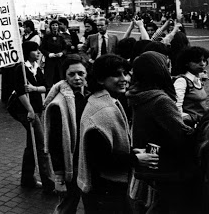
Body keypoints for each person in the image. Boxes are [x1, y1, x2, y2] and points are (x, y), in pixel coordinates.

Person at [77, 54, 158, 213]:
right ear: (100, 79)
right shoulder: (102, 110)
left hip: (104, 188)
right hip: (105, 189)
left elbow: (106, 147)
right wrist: (135, 159)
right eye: (116, 74)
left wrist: (133, 152)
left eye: (125, 73)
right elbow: (101, 159)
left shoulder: (102, 100)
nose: (124, 79)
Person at [126, 51, 200, 213]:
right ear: (159, 70)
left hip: (152, 164)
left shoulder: (138, 95)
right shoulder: (160, 100)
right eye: (167, 65)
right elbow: (181, 135)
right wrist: (198, 127)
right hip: (170, 168)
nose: (170, 68)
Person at [44, 55, 89, 214]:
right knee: (68, 205)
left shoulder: (89, 94)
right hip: (72, 164)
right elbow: (55, 142)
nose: (77, 78)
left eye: (81, 73)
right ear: (65, 76)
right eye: (72, 74)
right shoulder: (59, 104)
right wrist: (59, 176)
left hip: (87, 160)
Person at [13, 41, 54, 192]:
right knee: (42, 145)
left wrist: (34, 88)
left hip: (38, 109)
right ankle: (49, 184)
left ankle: (27, 179)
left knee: (32, 145)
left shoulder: (37, 68)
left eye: (38, 50)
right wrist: (29, 110)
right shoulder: (21, 68)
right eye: (35, 50)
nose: (38, 53)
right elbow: (20, 93)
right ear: (27, 52)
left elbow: (46, 87)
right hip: (27, 111)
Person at [173, 46, 209, 127]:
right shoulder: (182, 81)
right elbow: (176, 108)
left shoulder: (198, 80)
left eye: (204, 60)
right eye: (197, 61)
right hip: (191, 127)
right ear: (186, 63)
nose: (202, 63)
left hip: (202, 123)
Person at [40, 20, 67, 90]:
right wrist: (49, 54)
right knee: (49, 80)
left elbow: (66, 48)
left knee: (60, 80)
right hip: (50, 61)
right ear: (50, 26)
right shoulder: (46, 37)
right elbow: (42, 48)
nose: (55, 27)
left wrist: (62, 53)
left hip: (59, 61)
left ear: (58, 27)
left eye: (56, 25)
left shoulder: (61, 37)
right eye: (53, 25)